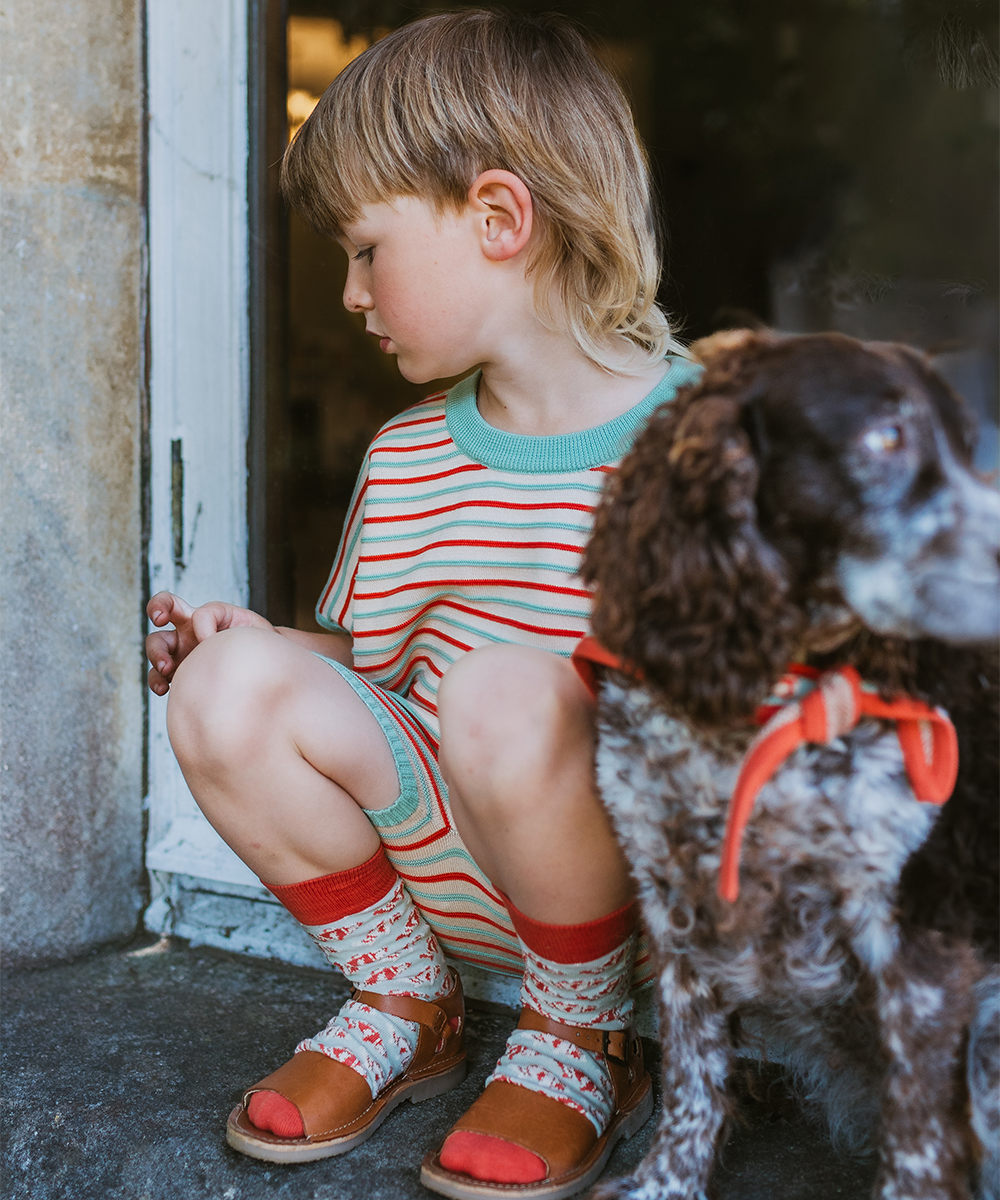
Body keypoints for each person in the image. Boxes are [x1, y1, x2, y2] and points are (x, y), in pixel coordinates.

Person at [145, 10, 699, 1198]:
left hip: (640, 900)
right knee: (226, 688)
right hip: (459, 869)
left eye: (365, 251)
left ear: (499, 220)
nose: (348, 293)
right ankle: (407, 995)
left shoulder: (702, 442)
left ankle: (583, 1034)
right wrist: (249, 650)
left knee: (512, 688)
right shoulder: (409, 459)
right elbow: (375, 672)